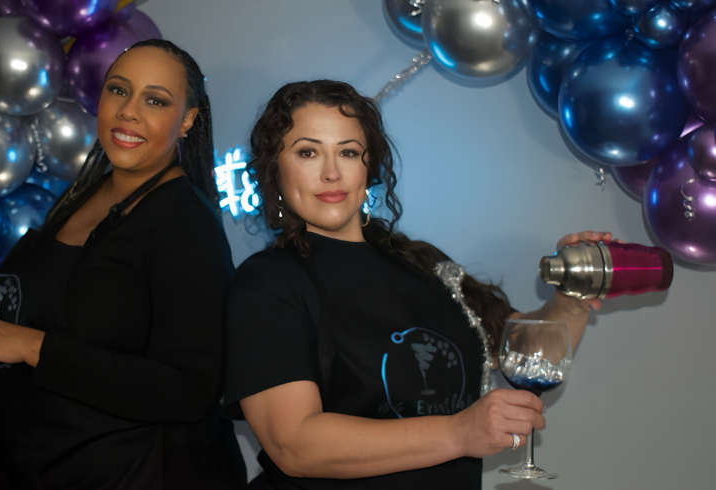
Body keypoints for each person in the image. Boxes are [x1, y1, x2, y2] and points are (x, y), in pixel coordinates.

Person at [223, 80, 615, 489]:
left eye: (348, 152)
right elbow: (295, 446)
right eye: (308, 152)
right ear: (274, 168)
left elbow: (528, 355)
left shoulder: (422, 263)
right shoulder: (267, 283)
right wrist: (458, 433)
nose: (332, 172)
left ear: (367, 165)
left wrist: (571, 302)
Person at [0, 40, 247, 489]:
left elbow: (189, 390)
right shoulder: (84, 197)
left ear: (187, 119)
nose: (129, 111)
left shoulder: (187, 225)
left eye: (155, 100)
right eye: (118, 90)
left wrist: (31, 345)